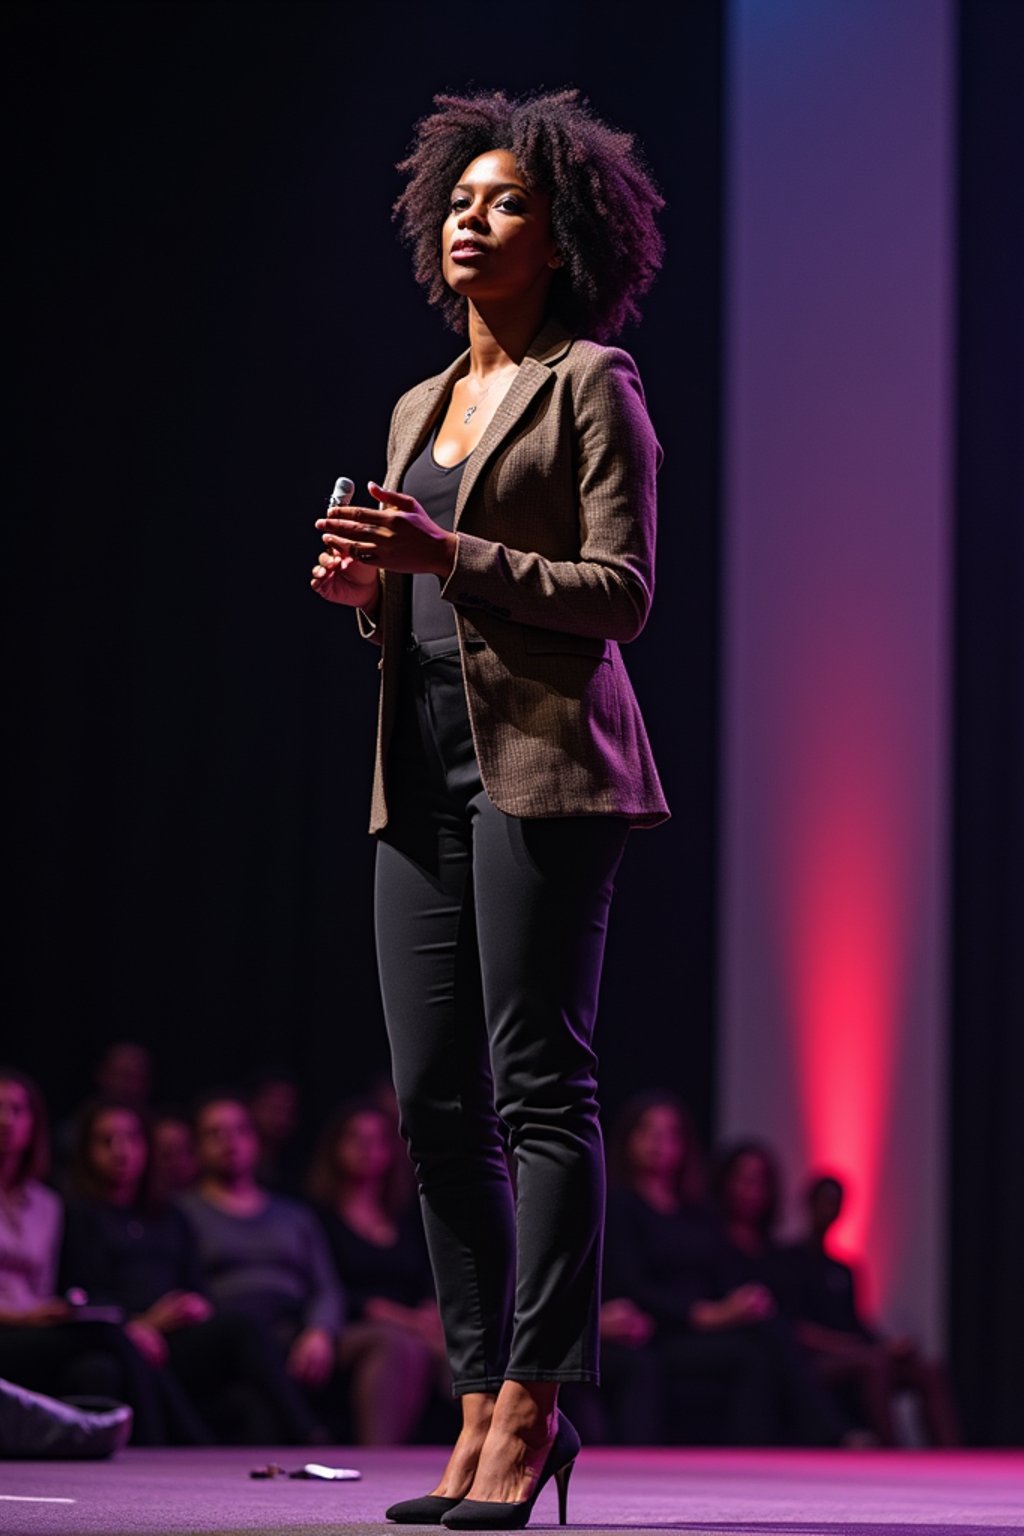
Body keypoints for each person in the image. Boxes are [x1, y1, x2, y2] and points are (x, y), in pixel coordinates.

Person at [310, 88, 668, 1527]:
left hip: (547, 768)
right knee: (429, 1102)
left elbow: (624, 594)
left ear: (561, 231)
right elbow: (421, 595)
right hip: (424, 766)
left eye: (505, 199)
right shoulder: (414, 404)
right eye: (459, 197)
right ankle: (473, 1397)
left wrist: (447, 552)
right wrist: (365, 593)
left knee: (539, 1088)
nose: (472, 215)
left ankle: (536, 1405)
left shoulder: (596, 380)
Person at [62, 1098, 323, 1444]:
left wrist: (195, 1305)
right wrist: (139, 1323)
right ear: (86, 1151)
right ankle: (194, 1447)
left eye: (131, 1139)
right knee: (131, 1352)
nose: (121, 1152)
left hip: (176, 1334)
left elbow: (195, 1283)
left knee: (240, 1328)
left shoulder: (167, 1215)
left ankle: (308, 1435)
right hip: (125, 1331)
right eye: (106, 1141)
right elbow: (82, 1293)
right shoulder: (80, 1217)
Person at [604, 1094, 851, 1448]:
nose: (659, 1143)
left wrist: (738, 1303)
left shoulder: (695, 1212)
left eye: (670, 1134)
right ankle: (824, 1437)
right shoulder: (620, 1205)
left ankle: (800, 1443)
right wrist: (702, 1314)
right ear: (628, 1139)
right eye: (648, 1132)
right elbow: (631, 1284)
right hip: (657, 1328)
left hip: (706, 1323)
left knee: (766, 1326)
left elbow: (716, 1272)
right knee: (754, 1353)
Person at [0, 1068, 155, 1438]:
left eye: (17, 1110)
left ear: (34, 1124)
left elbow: (46, 1284)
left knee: (98, 1369)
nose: (5, 1120)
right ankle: (177, 1443)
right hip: (9, 1326)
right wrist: (24, 1316)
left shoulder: (47, 1204)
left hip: (38, 1332)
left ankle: (98, 1467)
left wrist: (52, 1311)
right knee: (109, 1335)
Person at [176, 1095, 342, 1438]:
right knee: (247, 1335)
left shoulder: (294, 1215)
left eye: (239, 1131)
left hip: (295, 1329)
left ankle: (380, 1453)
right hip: (229, 1333)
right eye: (215, 1133)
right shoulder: (184, 1214)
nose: (229, 1142)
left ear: (254, 1140)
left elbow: (326, 1286)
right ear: (197, 1147)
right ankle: (309, 1436)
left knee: (389, 1345)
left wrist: (320, 1332)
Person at [781, 1173, 959, 1446]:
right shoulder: (788, 1261)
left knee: (928, 1370)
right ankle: (891, 1451)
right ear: (809, 1204)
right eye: (825, 1201)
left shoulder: (845, 1269)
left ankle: (951, 1455)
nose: (830, 1210)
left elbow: (857, 1322)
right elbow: (792, 1328)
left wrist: (889, 1344)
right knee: (875, 1363)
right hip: (815, 1361)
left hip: (857, 1352)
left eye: (836, 1203)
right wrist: (849, 1347)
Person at [309, 1099, 448, 1444]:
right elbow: (329, 1287)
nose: (365, 1150)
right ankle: (380, 1453)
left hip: (411, 1324)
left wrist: (429, 1309)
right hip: (348, 1326)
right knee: (401, 1345)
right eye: (354, 1139)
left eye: (375, 1141)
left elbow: (425, 1277)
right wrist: (398, 1317)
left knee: (455, 1342)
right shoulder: (320, 1217)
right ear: (335, 1148)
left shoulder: (404, 1217)